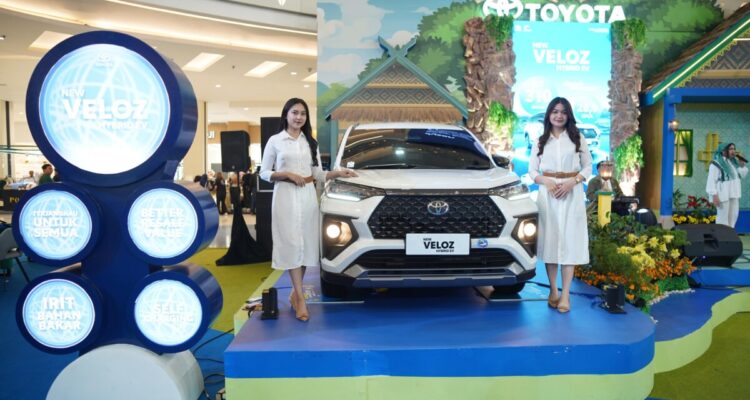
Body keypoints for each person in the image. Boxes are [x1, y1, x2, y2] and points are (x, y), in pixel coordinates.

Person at [260, 98, 357, 321]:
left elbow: (317, 174)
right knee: (291, 243)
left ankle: (295, 293)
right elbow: (264, 172)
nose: (298, 117)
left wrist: (338, 173)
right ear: (286, 114)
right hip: (284, 196)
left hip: (307, 197)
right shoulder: (275, 141)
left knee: (305, 245)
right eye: (294, 112)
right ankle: (300, 298)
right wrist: (286, 174)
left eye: (302, 113)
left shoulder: (310, 143)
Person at [528, 97, 592, 314]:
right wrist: (546, 181)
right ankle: (553, 291)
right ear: (549, 114)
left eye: (563, 112)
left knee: (569, 242)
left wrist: (573, 182)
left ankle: (565, 295)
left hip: (572, 194)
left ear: (568, 115)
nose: (559, 115)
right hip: (548, 197)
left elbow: (588, 167)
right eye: (555, 111)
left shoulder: (577, 138)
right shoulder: (540, 141)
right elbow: (532, 171)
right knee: (551, 242)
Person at [706, 142, 748, 228]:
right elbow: (711, 180)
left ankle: (730, 234)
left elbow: (741, 175)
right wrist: (714, 195)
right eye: (731, 149)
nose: (733, 151)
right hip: (722, 193)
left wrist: (742, 165)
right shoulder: (716, 163)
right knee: (723, 216)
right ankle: (721, 234)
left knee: (734, 215)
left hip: (734, 193)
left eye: (734, 149)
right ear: (723, 151)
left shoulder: (733, 162)